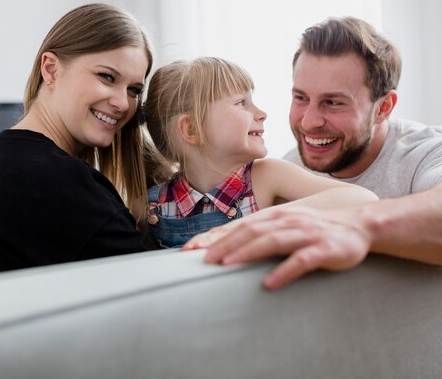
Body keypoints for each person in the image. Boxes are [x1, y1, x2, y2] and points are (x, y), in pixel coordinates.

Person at [185, 17, 442, 290]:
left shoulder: (422, 153)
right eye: (301, 97)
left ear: (384, 107)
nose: (309, 121)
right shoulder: (288, 168)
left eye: (334, 103)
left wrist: (357, 225)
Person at [0, 3, 155, 282]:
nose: (122, 103)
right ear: (51, 69)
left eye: (134, 90)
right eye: (106, 76)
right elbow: (158, 294)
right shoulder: (62, 181)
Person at [142, 57, 378, 248]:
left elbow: (364, 200)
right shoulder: (149, 207)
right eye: (241, 103)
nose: (261, 113)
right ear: (191, 129)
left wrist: (255, 223)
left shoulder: (266, 177)